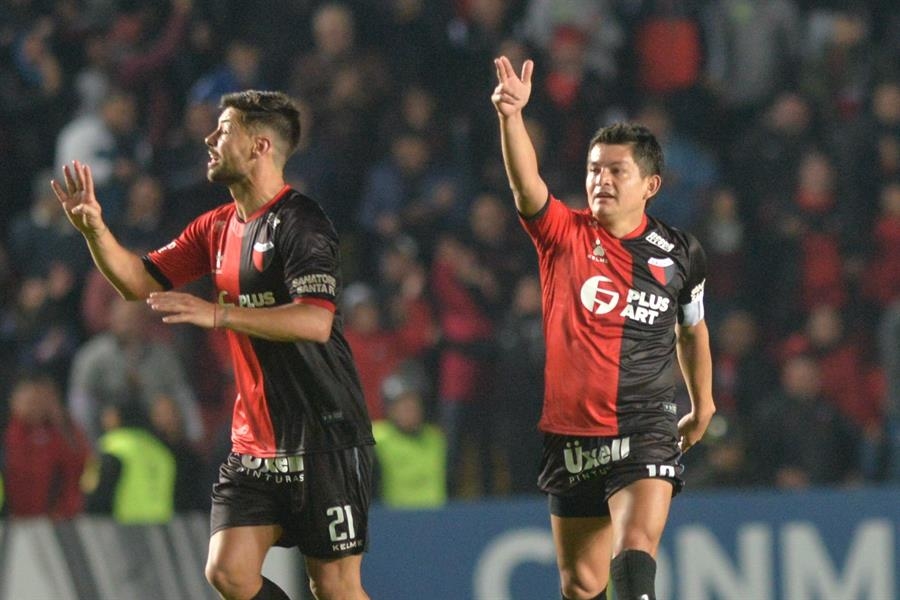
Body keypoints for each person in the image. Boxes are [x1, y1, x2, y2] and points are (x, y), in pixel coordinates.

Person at [51, 90, 374, 600]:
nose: (209, 137)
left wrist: (218, 313)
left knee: (334, 587)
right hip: (253, 443)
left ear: (259, 146)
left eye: (224, 129)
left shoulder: (302, 223)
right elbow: (137, 282)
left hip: (324, 435)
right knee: (228, 573)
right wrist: (94, 230)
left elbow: (314, 321)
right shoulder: (216, 226)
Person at [491, 56, 715, 600]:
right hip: (571, 434)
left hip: (646, 423)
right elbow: (526, 187)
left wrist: (702, 401)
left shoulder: (680, 254)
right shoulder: (562, 234)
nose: (602, 180)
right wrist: (512, 117)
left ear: (650, 184)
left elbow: (692, 330)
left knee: (635, 547)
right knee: (582, 583)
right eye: (594, 169)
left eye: (617, 171)